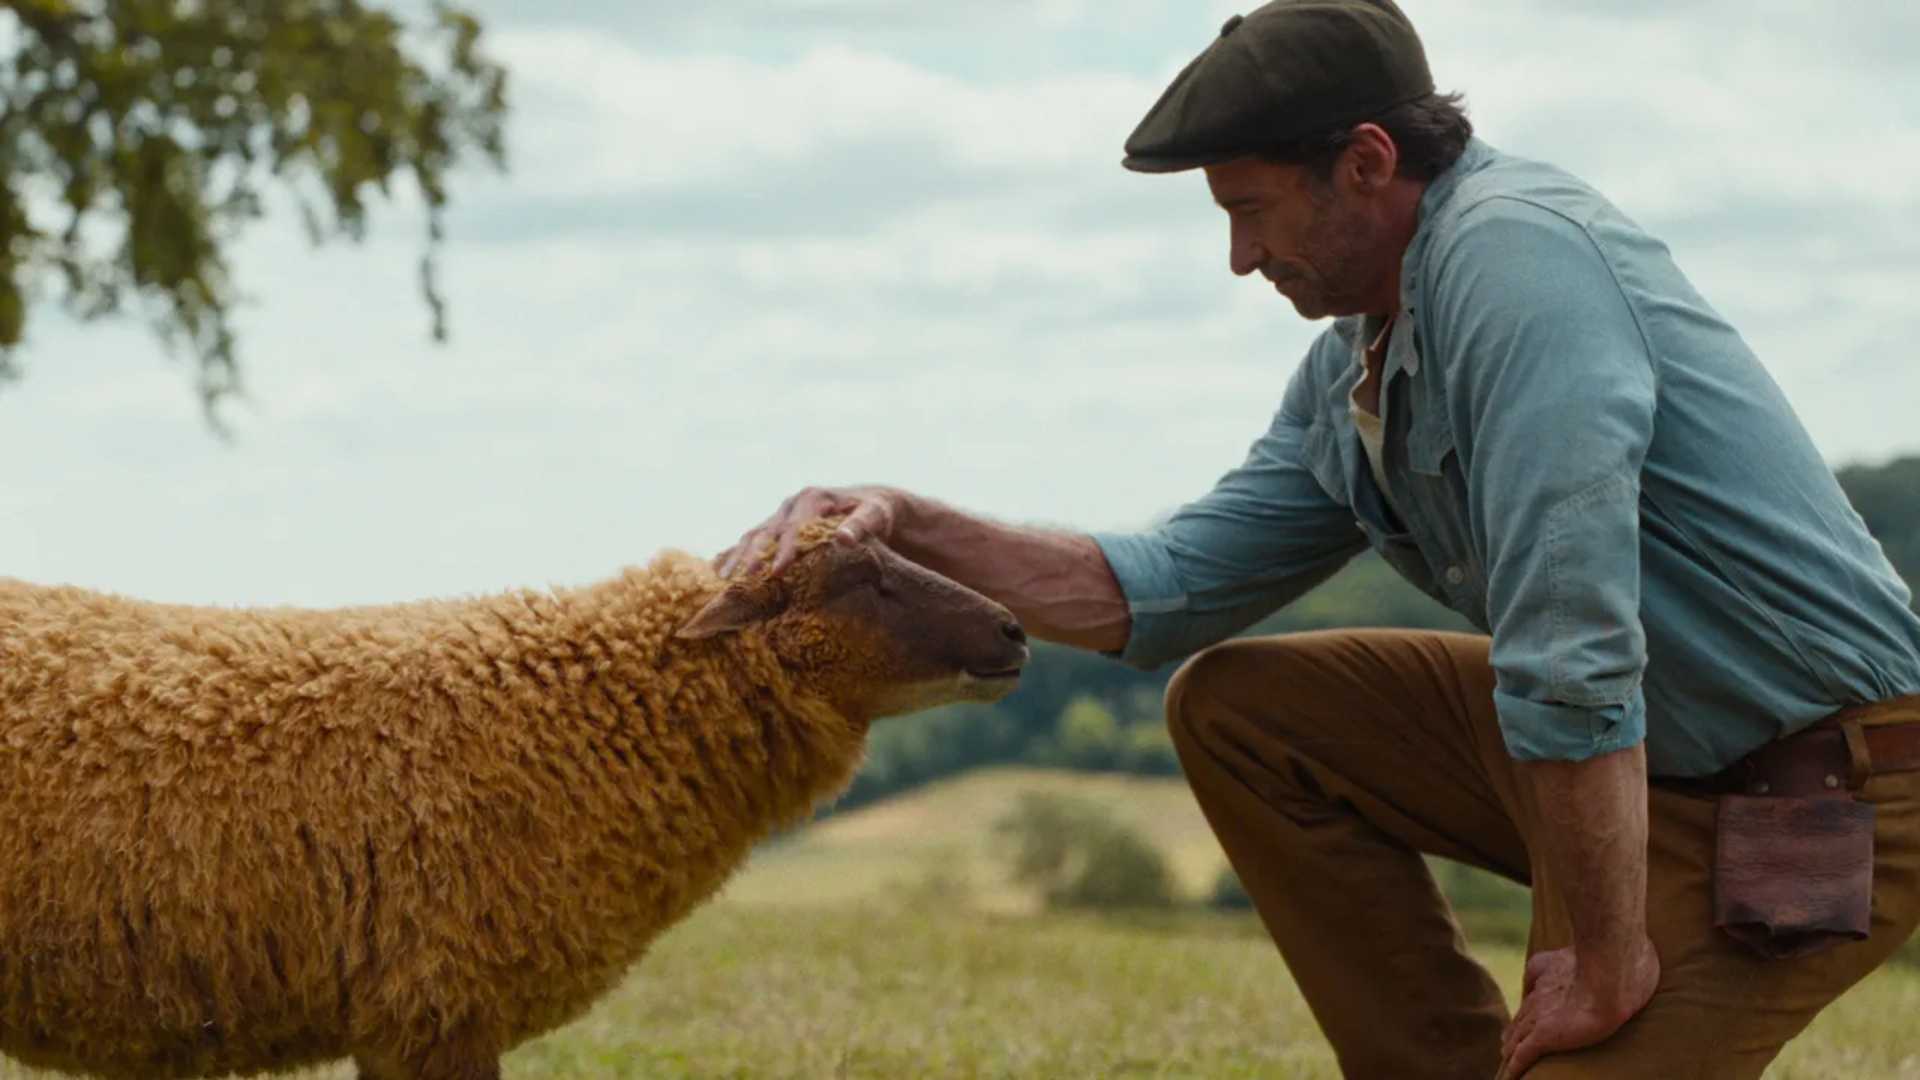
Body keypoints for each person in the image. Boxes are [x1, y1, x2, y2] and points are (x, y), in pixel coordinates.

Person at [718, 1, 1920, 1075]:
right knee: (1239, 706)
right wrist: (904, 519)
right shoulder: (1357, 360)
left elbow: (1572, 645)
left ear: (1365, 162)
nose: (1241, 256)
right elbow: (1161, 590)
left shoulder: (1518, 258)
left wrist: (1606, 965)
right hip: (1641, 769)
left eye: (1249, 209)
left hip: (1820, 791)